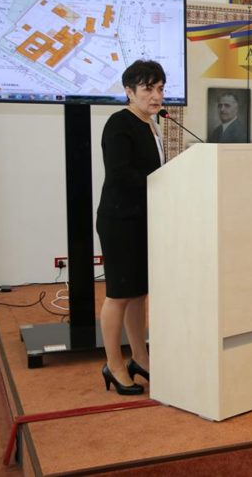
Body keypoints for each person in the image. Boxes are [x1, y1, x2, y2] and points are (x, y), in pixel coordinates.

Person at [96, 60, 165, 395]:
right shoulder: (119, 124)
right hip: (120, 220)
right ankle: (114, 364)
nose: (156, 96)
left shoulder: (151, 124)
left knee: (138, 293)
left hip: (142, 219)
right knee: (119, 294)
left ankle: (140, 357)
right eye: (148, 89)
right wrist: (163, 184)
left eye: (160, 88)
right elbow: (120, 173)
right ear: (129, 91)